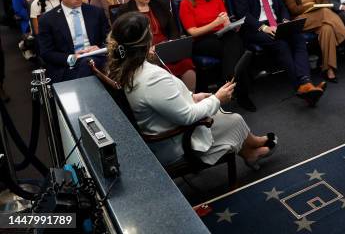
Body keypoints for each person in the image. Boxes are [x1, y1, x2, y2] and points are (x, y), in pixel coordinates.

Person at [106, 12, 276, 169]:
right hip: (175, 142)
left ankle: (251, 151)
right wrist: (217, 99)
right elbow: (187, 117)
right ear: (146, 41)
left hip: (161, 125)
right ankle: (253, 145)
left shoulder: (126, 67)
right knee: (234, 118)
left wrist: (193, 96)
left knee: (222, 115)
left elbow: (161, 99)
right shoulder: (151, 77)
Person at [234, 0, 326, 106]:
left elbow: (281, 6)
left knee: (298, 38)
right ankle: (300, 87)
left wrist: (284, 20)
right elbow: (243, 14)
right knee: (281, 44)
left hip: (276, 23)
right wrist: (263, 27)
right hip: (256, 27)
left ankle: (306, 82)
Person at [179, 0, 255, 111]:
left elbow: (224, 22)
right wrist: (215, 23)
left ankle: (228, 82)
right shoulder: (185, 4)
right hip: (201, 41)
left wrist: (230, 24)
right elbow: (193, 32)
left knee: (234, 39)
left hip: (222, 35)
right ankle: (241, 93)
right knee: (237, 48)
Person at [119, 0, 196, 91]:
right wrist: (145, 49)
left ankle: (190, 101)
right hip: (144, 52)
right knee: (161, 72)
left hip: (166, 47)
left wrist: (171, 43)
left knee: (186, 64)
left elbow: (173, 30)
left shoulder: (159, 4)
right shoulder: (125, 11)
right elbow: (124, 39)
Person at [38, 0, 109, 83]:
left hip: (97, 60)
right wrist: (71, 58)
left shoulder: (95, 12)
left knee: (89, 63)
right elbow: (46, 53)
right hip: (67, 66)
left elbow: (108, 39)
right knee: (87, 66)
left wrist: (99, 49)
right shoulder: (47, 19)